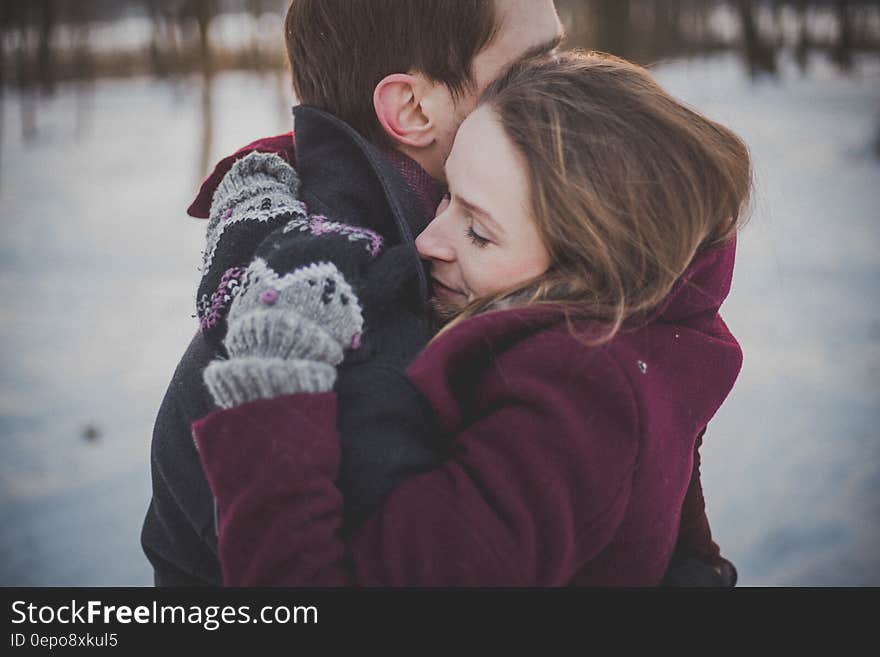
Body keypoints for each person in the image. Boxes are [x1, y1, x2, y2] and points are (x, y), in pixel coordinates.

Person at [143, 0, 734, 586]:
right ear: (412, 107)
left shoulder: (502, 277)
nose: (563, 83)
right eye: (532, 63)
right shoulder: (354, 333)